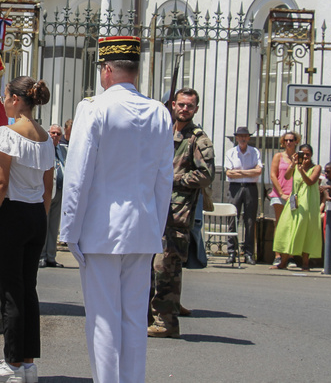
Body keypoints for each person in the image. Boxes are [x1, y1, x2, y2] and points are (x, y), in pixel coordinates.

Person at [60, 36, 173, 383]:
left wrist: (69, 231)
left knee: (103, 319)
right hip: (142, 229)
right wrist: (157, 226)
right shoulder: (159, 112)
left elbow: (78, 175)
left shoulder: (94, 108)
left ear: (107, 70)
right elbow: (163, 181)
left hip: (101, 231)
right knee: (135, 319)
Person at [0, 76, 54, 383]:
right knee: (28, 290)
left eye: (6, 97)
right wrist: (42, 219)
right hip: (36, 214)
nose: (3, 102)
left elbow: (0, 182)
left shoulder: (6, 133)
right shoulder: (46, 137)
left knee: (11, 291)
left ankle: (12, 363)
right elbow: (49, 187)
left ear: (16, 100)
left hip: (13, 213)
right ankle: (27, 362)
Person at [148, 87, 214, 339]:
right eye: (181, 104)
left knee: (166, 267)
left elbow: (207, 175)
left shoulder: (198, 139)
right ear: (173, 104)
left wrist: (173, 179)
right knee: (152, 267)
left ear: (196, 109)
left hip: (177, 213)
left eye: (190, 106)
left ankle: (166, 322)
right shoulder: (164, 133)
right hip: (155, 209)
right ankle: (151, 317)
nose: (185, 109)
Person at [271, 143, 322, 271]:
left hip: (308, 204)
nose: (305, 157)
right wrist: (293, 164)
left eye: (307, 154)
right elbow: (287, 176)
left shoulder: (316, 168)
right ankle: (283, 261)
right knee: (287, 228)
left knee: (306, 230)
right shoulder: (295, 166)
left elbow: (310, 181)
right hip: (295, 202)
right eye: (302, 154)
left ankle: (305, 263)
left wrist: (301, 170)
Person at [224, 126, 263, 265]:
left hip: (250, 188)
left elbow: (258, 171)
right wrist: (249, 172)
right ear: (236, 138)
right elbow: (228, 173)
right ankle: (231, 252)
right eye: (240, 136)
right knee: (232, 219)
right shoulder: (231, 152)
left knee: (250, 221)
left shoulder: (254, 152)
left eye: (245, 136)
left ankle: (248, 253)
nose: (242, 138)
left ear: (249, 137)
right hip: (235, 188)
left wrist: (239, 172)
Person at [269, 131, 300, 266]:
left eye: (291, 140)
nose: (289, 142)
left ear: (296, 141)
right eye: (286, 140)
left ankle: (290, 255)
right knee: (279, 223)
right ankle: (278, 255)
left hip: (294, 195)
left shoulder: (299, 157)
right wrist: (281, 193)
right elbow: (273, 175)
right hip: (279, 194)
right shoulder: (278, 156)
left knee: (292, 225)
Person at [40, 124, 65, 268]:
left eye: (58, 134)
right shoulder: (44, 148)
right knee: (45, 223)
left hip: (60, 192)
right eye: (53, 133)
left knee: (54, 227)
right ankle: (42, 256)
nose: (55, 135)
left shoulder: (62, 150)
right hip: (47, 191)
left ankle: (51, 256)